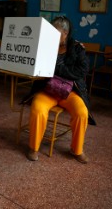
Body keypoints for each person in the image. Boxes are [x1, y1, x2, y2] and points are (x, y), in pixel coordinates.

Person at [25, 16, 96, 163]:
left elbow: (82, 71)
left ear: (65, 33)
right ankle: (33, 147)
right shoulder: (44, 45)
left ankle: (77, 150)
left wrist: (57, 69)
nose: (51, 35)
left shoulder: (77, 48)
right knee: (38, 109)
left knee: (82, 113)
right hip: (48, 90)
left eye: (55, 32)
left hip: (69, 91)